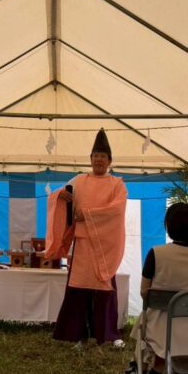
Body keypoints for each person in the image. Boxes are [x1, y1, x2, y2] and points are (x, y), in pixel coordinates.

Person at [45, 128, 128, 346]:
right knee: (78, 291)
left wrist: (88, 215)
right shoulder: (79, 181)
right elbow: (63, 198)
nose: (99, 160)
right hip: (82, 244)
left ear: (110, 161)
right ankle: (77, 335)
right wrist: (60, 196)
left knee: (105, 290)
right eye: (96, 156)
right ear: (90, 159)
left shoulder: (117, 185)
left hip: (105, 247)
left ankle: (109, 334)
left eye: (103, 156)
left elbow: (116, 211)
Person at [134, 203, 188, 374]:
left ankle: (144, 370)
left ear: (169, 225)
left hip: (160, 326)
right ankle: (155, 371)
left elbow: (145, 293)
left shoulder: (157, 253)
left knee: (145, 321)